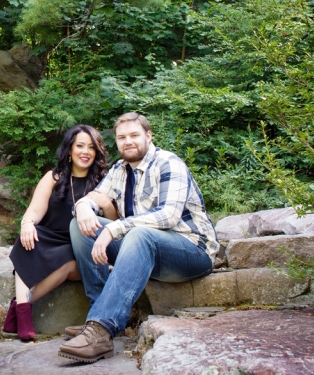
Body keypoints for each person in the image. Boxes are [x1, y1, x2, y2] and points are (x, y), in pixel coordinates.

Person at [58, 112, 218, 362]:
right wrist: (82, 207)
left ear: (148, 136)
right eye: (122, 137)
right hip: (144, 249)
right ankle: (98, 316)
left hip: (191, 251)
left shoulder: (168, 163)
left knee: (140, 233)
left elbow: (168, 216)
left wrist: (113, 228)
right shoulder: (119, 170)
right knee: (80, 226)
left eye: (134, 135)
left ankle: (101, 329)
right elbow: (94, 198)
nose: (128, 141)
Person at [5, 124, 111, 341]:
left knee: (69, 261)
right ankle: (23, 313)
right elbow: (36, 209)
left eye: (91, 147)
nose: (85, 152)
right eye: (80, 146)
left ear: (97, 152)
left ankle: (18, 308)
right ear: (69, 150)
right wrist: (27, 223)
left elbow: (115, 222)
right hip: (50, 237)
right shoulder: (54, 177)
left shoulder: (104, 181)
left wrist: (107, 204)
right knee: (27, 241)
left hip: (78, 245)